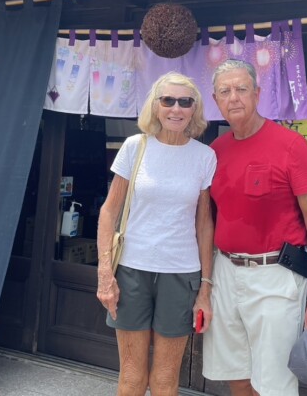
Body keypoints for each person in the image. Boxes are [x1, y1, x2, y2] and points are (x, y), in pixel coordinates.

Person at [203, 59, 307, 396]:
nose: (233, 97)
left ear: (257, 94)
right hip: (225, 272)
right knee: (236, 374)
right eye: (224, 91)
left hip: (275, 275)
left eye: (241, 89)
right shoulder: (215, 151)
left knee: (274, 384)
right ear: (215, 100)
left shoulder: (291, 146)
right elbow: (206, 221)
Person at [97, 72, 217, 396]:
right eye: (168, 100)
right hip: (132, 270)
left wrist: (205, 287)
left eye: (185, 102)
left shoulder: (204, 156)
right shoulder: (135, 146)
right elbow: (109, 211)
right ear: (156, 105)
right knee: (131, 375)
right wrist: (105, 273)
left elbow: (204, 224)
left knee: (165, 378)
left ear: (194, 109)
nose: (176, 109)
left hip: (181, 273)